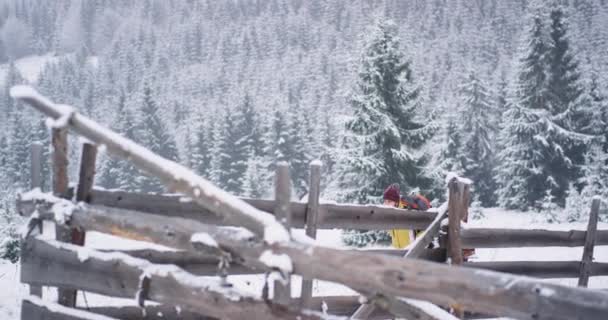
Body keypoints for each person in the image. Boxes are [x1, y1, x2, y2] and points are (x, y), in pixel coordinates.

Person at [384, 184, 415, 249]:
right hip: (399, 255)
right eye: (385, 201)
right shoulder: (389, 215)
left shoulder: (406, 211)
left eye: (389, 201)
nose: (386, 204)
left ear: (396, 202)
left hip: (412, 253)